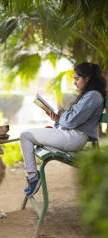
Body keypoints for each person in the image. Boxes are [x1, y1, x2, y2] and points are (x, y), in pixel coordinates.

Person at [20, 62, 107, 197]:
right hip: (70, 135)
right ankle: (32, 177)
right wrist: (58, 118)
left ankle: (32, 178)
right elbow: (72, 119)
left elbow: (71, 121)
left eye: (77, 79)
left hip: (74, 138)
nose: (74, 83)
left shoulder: (93, 96)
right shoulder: (90, 95)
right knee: (27, 135)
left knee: (25, 135)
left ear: (87, 78)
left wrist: (61, 116)